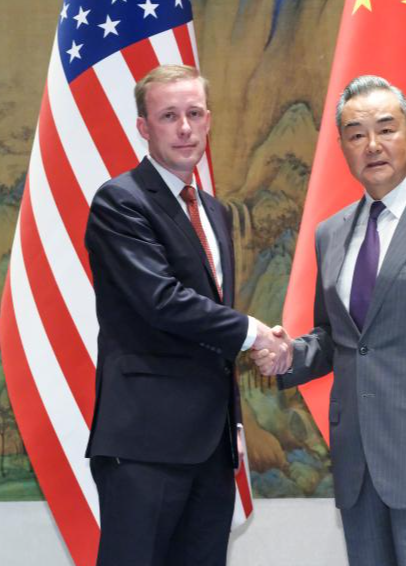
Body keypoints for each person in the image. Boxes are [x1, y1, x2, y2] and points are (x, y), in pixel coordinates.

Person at [254, 75, 406, 566]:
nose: (373, 145)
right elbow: (338, 339)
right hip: (357, 462)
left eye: (386, 129)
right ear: (343, 148)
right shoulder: (331, 234)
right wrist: (290, 355)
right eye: (356, 134)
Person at [84, 64, 289, 566]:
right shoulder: (120, 201)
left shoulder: (214, 211)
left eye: (194, 114)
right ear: (143, 127)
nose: (184, 128)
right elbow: (162, 301)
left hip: (209, 446)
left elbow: (211, 319)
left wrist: (257, 348)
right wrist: (254, 332)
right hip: (144, 444)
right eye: (168, 115)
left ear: (208, 120)